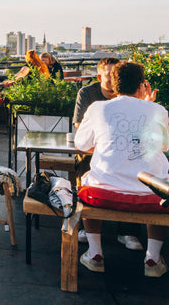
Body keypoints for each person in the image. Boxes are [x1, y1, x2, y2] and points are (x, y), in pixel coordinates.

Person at [75, 61, 169, 277]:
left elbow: (81, 144)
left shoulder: (98, 108)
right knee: (162, 184)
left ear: (114, 85)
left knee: (89, 179)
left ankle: (95, 253)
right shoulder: (157, 110)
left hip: (103, 194)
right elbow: (165, 146)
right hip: (151, 197)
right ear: (142, 85)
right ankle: (153, 258)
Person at [74, 57, 144, 250]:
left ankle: (127, 231)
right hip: (92, 153)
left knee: (132, 167)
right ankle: (87, 227)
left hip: (115, 152)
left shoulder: (132, 98)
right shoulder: (88, 94)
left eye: (117, 75)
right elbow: (80, 129)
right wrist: (112, 147)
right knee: (86, 165)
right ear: (99, 76)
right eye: (109, 75)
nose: (114, 80)